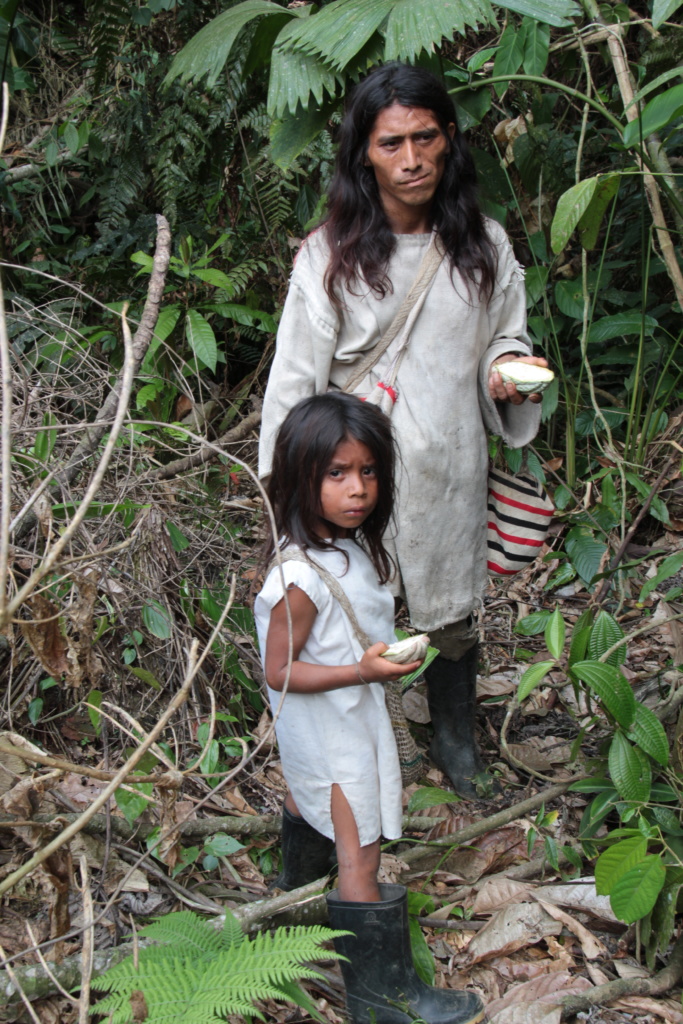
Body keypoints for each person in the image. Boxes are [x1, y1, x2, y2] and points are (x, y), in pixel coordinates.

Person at [258, 61, 547, 801]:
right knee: (352, 605)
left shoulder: (482, 245)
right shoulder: (329, 255)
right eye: (391, 144)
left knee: (450, 610)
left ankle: (453, 737)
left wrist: (507, 370)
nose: (411, 159)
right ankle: (371, 750)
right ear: (363, 152)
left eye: (425, 137)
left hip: (450, 462)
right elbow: (293, 381)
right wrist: (284, 497)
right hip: (352, 473)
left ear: (449, 139)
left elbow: (503, 339)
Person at [254, 391, 484, 1024]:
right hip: (334, 731)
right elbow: (278, 670)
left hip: (345, 721)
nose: (357, 489)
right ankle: (384, 1000)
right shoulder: (298, 579)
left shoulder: (347, 546)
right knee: (361, 853)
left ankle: (292, 911)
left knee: (311, 804)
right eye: (336, 474)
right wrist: (362, 669)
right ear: (303, 476)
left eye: (368, 471)